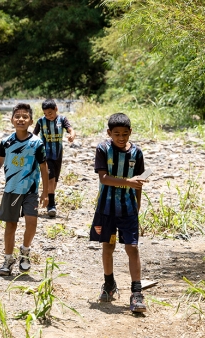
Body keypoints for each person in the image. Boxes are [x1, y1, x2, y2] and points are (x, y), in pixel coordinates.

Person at [0, 103, 49, 276]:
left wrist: (45, 192)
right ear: (12, 120)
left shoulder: (36, 143)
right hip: (11, 189)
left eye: (25, 116)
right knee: (10, 225)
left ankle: (25, 252)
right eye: (17, 116)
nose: (21, 119)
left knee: (31, 223)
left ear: (31, 121)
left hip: (31, 190)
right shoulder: (7, 141)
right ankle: (8, 259)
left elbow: (43, 167)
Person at [90, 113, 148, 313]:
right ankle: (109, 285)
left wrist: (137, 205)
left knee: (132, 248)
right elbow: (104, 178)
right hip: (106, 209)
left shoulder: (137, 153)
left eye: (125, 134)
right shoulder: (103, 149)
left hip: (128, 209)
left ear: (130, 132)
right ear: (109, 133)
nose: (121, 138)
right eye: (117, 134)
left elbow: (139, 183)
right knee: (108, 246)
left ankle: (137, 292)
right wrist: (128, 182)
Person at [33, 99, 76, 218]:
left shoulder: (62, 119)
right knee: (50, 179)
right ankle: (51, 205)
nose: (48, 116)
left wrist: (72, 135)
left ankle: (48, 197)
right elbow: (33, 135)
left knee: (55, 181)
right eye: (46, 114)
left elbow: (70, 129)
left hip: (58, 154)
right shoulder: (41, 121)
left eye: (50, 113)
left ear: (56, 109)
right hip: (45, 154)